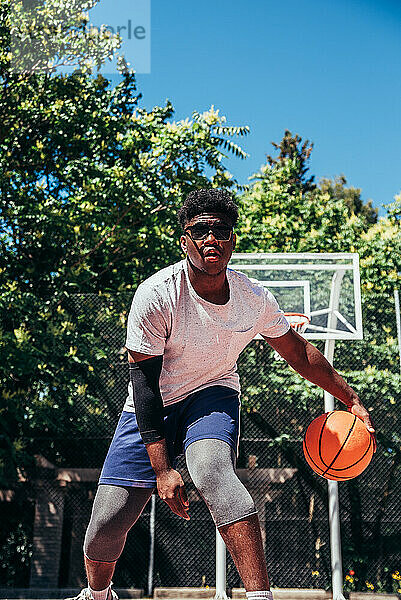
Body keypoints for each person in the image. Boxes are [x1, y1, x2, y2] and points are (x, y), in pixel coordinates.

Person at [68, 188, 376, 600]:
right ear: (186, 241)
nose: (211, 238)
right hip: (154, 403)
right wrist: (162, 469)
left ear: (232, 241)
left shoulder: (253, 298)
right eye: (201, 231)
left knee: (212, 469)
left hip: (212, 394)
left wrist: (349, 396)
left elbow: (299, 352)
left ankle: (258, 596)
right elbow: (143, 387)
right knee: (104, 529)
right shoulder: (157, 294)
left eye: (221, 230)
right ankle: (98, 594)